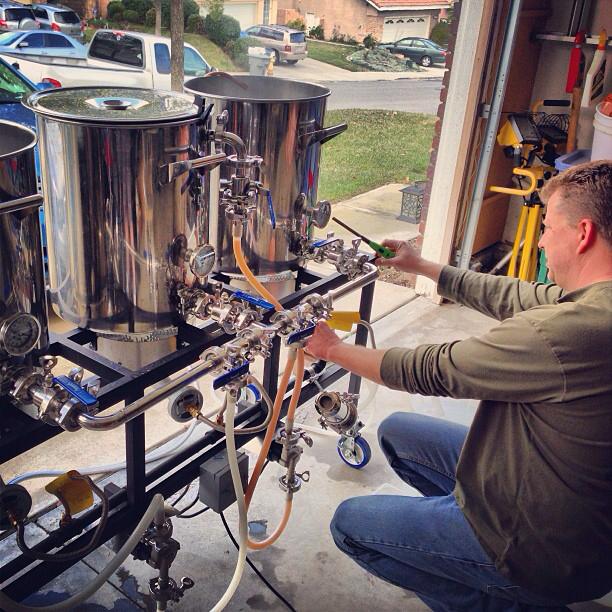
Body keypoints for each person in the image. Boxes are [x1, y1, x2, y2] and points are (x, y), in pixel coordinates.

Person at [304, 160, 612, 611]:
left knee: (350, 526)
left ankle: (509, 594)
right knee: (399, 434)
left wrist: (331, 349)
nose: (542, 240)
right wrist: (421, 265)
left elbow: (435, 369)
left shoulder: (569, 332)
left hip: (543, 550)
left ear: (583, 233)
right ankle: (460, 549)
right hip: (563, 504)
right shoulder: (594, 300)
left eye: (547, 227)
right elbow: (510, 295)